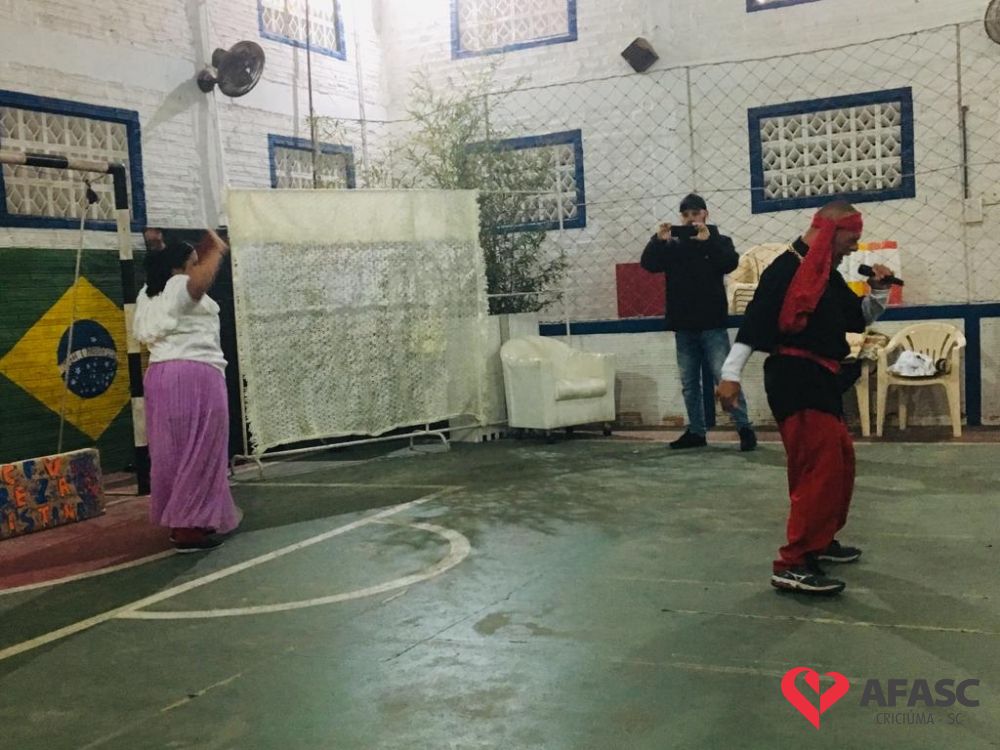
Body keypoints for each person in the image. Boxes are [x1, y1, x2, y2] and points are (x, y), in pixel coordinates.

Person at [716, 200, 894, 595]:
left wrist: (879, 291)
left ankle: (820, 541)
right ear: (830, 230)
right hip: (795, 377)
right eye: (852, 238)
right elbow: (755, 322)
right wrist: (730, 375)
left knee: (839, 464)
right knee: (819, 469)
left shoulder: (823, 272)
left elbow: (855, 316)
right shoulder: (785, 268)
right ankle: (792, 563)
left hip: (821, 377)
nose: (854, 247)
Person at [134, 228, 241, 552]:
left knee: (173, 452)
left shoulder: (147, 294)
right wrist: (216, 251)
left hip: (160, 376)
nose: (197, 269)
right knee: (201, 450)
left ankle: (183, 521)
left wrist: (158, 245)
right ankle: (188, 527)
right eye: (193, 263)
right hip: (195, 374)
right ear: (178, 268)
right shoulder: (180, 285)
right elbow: (195, 285)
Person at [640, 193, 757, 451]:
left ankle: (744, 428)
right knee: (689, 383)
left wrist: (708, 242)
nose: (690, 219)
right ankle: (696, 431)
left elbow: (729, 263)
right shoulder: (672, 245)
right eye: (686, 215)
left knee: (724, 377)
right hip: (683, 324)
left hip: (711, 323)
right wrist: (658, 241)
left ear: (705, 214)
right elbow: (648, 264)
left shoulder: (719, 241)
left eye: (695, 213)